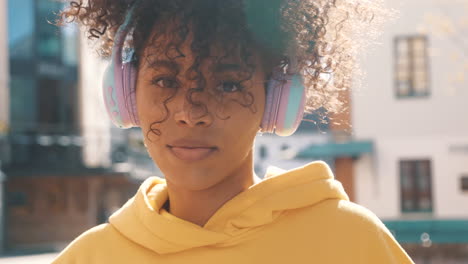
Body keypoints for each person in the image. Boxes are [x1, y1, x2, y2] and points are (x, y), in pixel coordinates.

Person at [53, 0, 414, 263]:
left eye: (226, 85)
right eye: (165, 80)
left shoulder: (352, 244)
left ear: (275, 97)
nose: (190, 113)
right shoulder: (89, 257)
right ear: (126, 92)